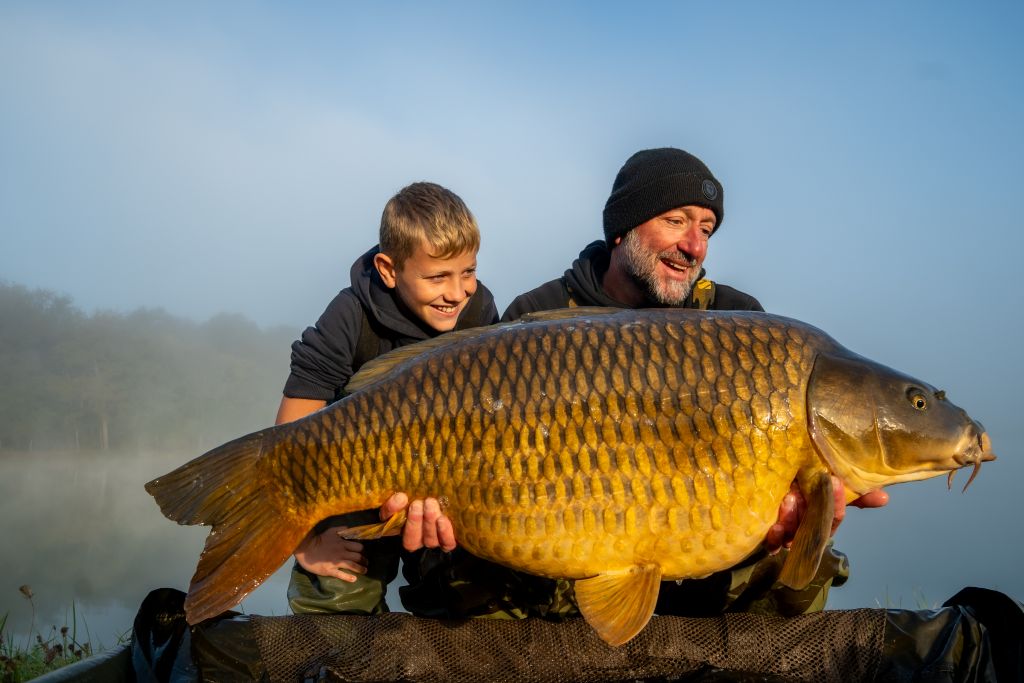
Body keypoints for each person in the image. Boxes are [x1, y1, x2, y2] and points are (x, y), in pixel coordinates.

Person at [396, 147, 888, 621]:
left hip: (696, 571)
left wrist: (802, 524)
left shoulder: (738, 321)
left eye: (706, 229)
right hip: (557, 557)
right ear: (623, 230)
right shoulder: (539, 315)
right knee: (462, 573)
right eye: (676, 221)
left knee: (798, 568)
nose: (695, 246)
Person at [276, 181, 498, 616]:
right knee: (336, 585)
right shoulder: (349, 315)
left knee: (471, 581)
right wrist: (304, 543)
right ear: (389, 269)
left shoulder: (479, 311)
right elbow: (288, 442)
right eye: (437, 277)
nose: (457, 292)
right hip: (353, 477)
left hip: (443, 479)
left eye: (468, 272)